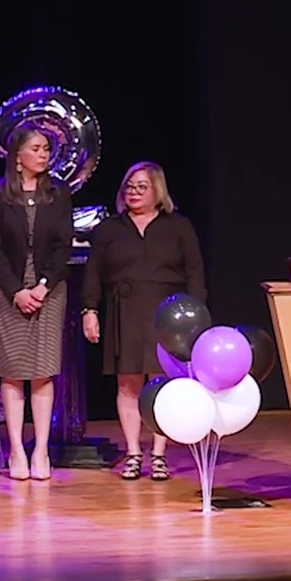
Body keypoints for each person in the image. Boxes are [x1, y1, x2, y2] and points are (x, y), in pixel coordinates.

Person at [81, 162, 205, 481]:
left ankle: (159, 454)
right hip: (126, 309)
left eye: (141, 187)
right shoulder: (109, 229)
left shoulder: (177, 226)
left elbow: (194, 272)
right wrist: (90, 310)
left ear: (157, 191)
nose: (133, 193)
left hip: (166, 311)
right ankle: (134, 453)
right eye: (129, 187)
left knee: (161, 382)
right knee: (128, 382)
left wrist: (195, 316)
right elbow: (93, 273)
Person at [0, 124, 74, 482]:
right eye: (36, 148)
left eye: (46, 149)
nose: (43, 154)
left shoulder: (59, 193)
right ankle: (16, 449)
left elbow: (63, 245)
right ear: (17, 156)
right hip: (8, 291)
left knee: (42, 369)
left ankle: (41, 450)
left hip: (49, 291)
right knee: (12, 369)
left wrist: (43, 286)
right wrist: (16, 290)